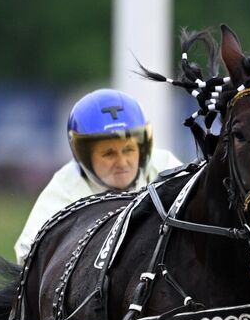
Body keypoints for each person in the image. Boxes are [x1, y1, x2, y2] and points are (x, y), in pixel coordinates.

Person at [14, 88, 181, 264]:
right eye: (109, 153)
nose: (122, 162)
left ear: (143, 148)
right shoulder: (66, 185)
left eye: (129, 150)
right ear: (85, 156)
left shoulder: (166, 167)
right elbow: (28, 254)